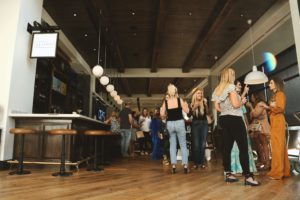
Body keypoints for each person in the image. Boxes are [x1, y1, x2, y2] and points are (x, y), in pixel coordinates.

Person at [212, 67, 260, 186]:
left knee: (226, 148)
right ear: (230, 76)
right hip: (235, 119)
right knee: (243, 148)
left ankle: (228, 174)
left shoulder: (217, 89)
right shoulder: (231, 87)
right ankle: (248, 177)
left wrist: (225, 108)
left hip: (223, 119)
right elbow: (235, 105)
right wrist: (242, 102)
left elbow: (217, 108)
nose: (234, 76)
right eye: (233, 74)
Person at [263, 77, 290, 180]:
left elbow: (280, 108)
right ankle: (284, 171)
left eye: (271, 83)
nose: (269, 85)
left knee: (278, 147)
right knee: (278, 146)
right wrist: (271, 108)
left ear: (276, 84)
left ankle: (278, 173)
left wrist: (269, 107)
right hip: (275, 122)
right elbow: (275, 109)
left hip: (278, 122)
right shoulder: (275, 95)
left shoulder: (280, 94)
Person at [160, 84, 190, 174]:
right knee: (183, 144)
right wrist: (185, 105)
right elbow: (187, 111)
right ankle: (185, 165)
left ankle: (173, 166)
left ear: (168, 92)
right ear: (176, 91)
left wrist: (166, 115)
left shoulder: (165, 102)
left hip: (170, 123)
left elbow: (162, 115)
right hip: (180, 123)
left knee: (172, 144)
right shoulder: (179, 100)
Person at [230, 80, 257, 175]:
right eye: (238, 85)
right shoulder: (231, 96)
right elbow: (236, 104)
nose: (240, 87)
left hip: (243, 123)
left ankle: (248, 168)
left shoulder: (239, 97)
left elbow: (244, 114)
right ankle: (237, 169)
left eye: (240, 85)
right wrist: (245, 92)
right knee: (236, 146)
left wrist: (248, 126)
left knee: (246, 146)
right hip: (235, 123)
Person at [247, 91, 271, 170]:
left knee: (264, 144)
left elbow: (255, 114)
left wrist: (250, 107)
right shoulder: (257, 105)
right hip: (257, 127)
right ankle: (262, 160)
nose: (251, 98)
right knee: (259, 144)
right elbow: (251, 116)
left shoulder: (260, 104)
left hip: (262, 127)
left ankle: (267, 162)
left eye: (252, 96)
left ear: (255, 96)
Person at [190, 88, 209, 169]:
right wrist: (195, 106)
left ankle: (201, 163)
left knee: (203, 144)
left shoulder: (204, 102)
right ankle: (196, 163)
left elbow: (207, 113)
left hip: (204, 123)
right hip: (195, 124)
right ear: (195, 95)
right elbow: (189, 114)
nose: (200, 95)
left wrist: (206, 104)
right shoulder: (191, 104)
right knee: (196, 145)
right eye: (198, 93)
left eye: (201, 93)